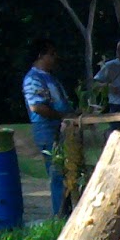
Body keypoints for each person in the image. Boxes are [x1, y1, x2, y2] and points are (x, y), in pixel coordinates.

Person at [23, 37, 75, 216]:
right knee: (57, 173)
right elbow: (37, 107)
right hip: (47, 129)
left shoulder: (51, 78)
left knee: (68, 172)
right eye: (51, 54)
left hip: (62, 127)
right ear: (40, 55)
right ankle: (60, 215)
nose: (55, 58)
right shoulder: (32, 78)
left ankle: (68, 212)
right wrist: (63, 116)